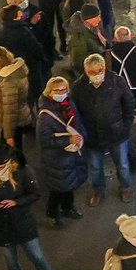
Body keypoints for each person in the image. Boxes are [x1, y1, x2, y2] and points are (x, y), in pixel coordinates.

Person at [0, 145, 72, 270]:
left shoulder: (22, 171)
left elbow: (35, 193)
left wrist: (16, 201)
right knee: (11, 261)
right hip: (1, 226)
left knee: (37, 256)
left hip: (22, 222)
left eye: (1, 166)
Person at [71, 52, 134, 206]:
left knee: (123, 164)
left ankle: (126, 188)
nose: (96, 75)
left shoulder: (117, 81)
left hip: (117, 132)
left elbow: (129, 103)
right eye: (91, 72)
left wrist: (126, 125)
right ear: (85, 71)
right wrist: (82, 131)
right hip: (92, 135)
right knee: (95, 166)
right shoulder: (79, 87)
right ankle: (98, 190)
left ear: (104, 68)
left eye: (99, 71)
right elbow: (75, 112)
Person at [36, 75, 86, 227]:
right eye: (56, 90)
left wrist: (82, 138)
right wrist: (68, 141)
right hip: (56, 159)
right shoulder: (45, 116)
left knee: (69, 185)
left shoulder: (68, 104)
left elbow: (78, 122)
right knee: (58, 189)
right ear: (49, 92)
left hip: (71, 155)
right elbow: (44, 141)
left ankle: (67, 208)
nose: (61, 92)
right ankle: (52, 214)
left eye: (64, 89)